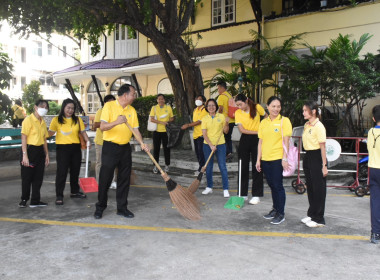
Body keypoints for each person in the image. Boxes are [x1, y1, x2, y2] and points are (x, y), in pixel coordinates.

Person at [94, 84, 149, 219]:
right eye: (133, 94)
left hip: (125, 148)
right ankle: (100, 207)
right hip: (110, 147)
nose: (134, 96)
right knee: (105, 179)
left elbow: (135, 130)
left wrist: (142, 143)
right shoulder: (109, 106)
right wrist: (117, 122)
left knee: (124, 179)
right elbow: (102, 127)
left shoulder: (132, 110)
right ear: (125, 95)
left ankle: (122, 208)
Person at [256, 96, 292, 225]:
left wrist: (285, 158)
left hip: (277, 159)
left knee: (278, 186)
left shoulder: (284, 121)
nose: (276, 109)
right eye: (273, 106)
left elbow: (286, 141)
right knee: (271, 185)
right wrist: (258, 159)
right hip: (265, 159)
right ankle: (275, 209)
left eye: (278, 106)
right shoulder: (263, 122)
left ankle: (281, 213)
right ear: (267, 106)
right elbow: (260, 142)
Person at [49, 98, 90, 205]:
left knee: (75, 171)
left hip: (75, 148)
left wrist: (88, 141)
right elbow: (50, 133)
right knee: (61, 172)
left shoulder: (77, 120)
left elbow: (83, 131)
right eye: (68, 108)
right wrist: (40, 134)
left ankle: (75, 191)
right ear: (63, 108)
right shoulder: (56, 120)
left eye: (72, 108)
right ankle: (59, 195)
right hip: (62, 149)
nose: (70, 110)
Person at [234, 94, 267, 204]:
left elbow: (266, 117)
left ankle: (256, 194)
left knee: (257, 166)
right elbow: (242, 130)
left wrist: (263, 129)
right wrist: (258, 132)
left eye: (241, 104)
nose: (239, 107)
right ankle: (242, 194)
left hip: (257, 140)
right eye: (237, 105)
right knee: (242, 166)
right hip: (245, 139)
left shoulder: (257, 108)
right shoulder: (238, 113)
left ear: (246, 101)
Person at [301, 101, 328, 228]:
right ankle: (312, 214)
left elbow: (323, 147)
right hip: (308, 156)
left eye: (305, 110)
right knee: (311, 187)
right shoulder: (307, 125)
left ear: (313, 111)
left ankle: (319, 218)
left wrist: (324, 165)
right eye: (303, 111)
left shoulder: (319, 126)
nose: (303, 113)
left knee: (319, 189)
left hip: (317, 157)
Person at [19, 99, 49, 208]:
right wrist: (24, 155)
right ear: (36, 107)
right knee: (27, 177)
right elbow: (24, 137)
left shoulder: (43, 121)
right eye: (42, 106)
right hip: (29, 150)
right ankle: (24, 199)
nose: (44, 109)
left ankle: (35, 200)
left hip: (40, 151)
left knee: (38, 177)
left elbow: (44, 139)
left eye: (46, 107)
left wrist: (47, 154)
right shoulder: (28, 120)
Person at [201, 98, 230, 198]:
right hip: (207, 145)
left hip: (220, 144)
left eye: (213, 105)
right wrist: (211, 145)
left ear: (216, 107)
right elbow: (204, 134)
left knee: (222, 166)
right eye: (209, 105)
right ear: (206, 107)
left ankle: (225, 189)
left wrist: (226, 123)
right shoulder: (204, 119)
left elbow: (226, 131)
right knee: (208, 167)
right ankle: (209, 187)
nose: (211, 107)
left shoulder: (221, 116)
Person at [94, 95, 118, 189]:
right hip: (101, 141)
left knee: (113, 163)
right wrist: (108, 124)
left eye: (113, 102)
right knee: (100, 162)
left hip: (112, 141)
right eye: (110, 102)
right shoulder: (101, 111)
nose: (112, 104)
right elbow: (95, 125)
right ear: (105, 103)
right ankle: (99, 182)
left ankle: (112, 181)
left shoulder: (115, 111)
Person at [181, 95, 208, 176]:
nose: (198, 100)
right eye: (197, 99)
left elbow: (199, 121)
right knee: (197, 152)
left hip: (202, 134)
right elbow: (194, 121)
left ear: (203, 101)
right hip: (195, 134)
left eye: (200, 99)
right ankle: (200, 168)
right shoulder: (195, 109)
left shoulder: (204, 109)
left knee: (201, 152)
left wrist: (188, 125)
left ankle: (203, 169)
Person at [149, 93, 174, 173]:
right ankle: (156, 166)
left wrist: (167, 121)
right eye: (159, 99)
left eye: (162, 98)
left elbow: (172, 118)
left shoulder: (168, 107)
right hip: (156, 132)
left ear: (164, 100)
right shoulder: (154, 108)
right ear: (157, 100)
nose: (161, 100)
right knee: (156, 150)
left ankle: (167, 165)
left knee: (167, 149)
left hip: (166, 132)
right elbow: (151, 119)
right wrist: (161, 122)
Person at [367, 105, 380, 244]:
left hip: (373, 169)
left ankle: (375, 233)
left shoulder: (370, 132)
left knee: (375, 202)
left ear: (373, 118)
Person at [216, 81, 235, 160]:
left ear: (221, 87)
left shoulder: (221, 96)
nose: (218, 90)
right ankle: (229, 152)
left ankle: (226, 153)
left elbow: (220, 108)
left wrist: (217, 116)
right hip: (232, 120)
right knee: (228, 137)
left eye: (218, 88)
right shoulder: (229, 95)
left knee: (223, 137)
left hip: (225, 121)